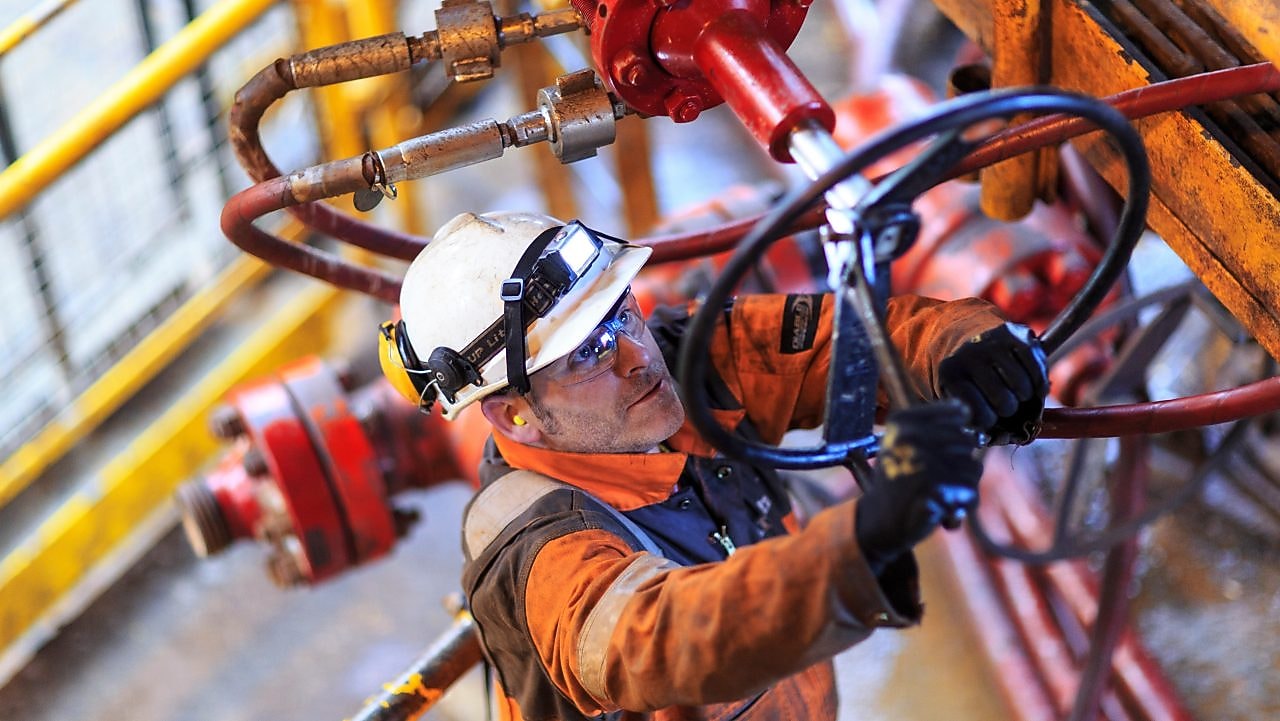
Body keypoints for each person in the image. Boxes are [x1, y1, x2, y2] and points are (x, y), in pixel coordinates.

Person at [378, 211, 1048, 720]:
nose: (638, 356)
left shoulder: (681, 361)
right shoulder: (538, 550)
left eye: (622, 314)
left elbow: (845, 341)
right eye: (587, 353)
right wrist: (865, 536)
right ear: (513, 416)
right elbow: (659, 636)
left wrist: (962, 347)